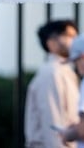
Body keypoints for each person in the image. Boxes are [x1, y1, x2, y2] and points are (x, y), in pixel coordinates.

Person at [25, 19, 80, 148]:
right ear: (51, 43)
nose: (75, 41)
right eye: (69, 36)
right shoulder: (52, 73)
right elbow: (53, 124)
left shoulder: (64, 71)